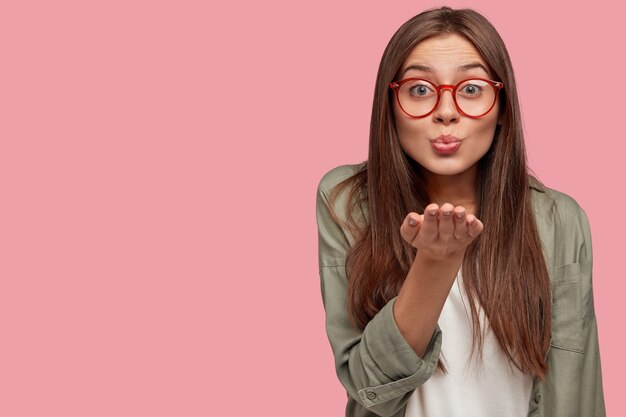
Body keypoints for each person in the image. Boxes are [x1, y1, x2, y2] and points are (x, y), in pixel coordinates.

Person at [315, 6, 605, 417]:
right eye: (419, 89)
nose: (446, 111)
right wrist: (435, 261)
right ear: (390, 105)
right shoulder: (348, 202)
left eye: (470, 89)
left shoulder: (561, 220)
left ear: (502, 107)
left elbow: (577, 389)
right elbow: (370, 390)